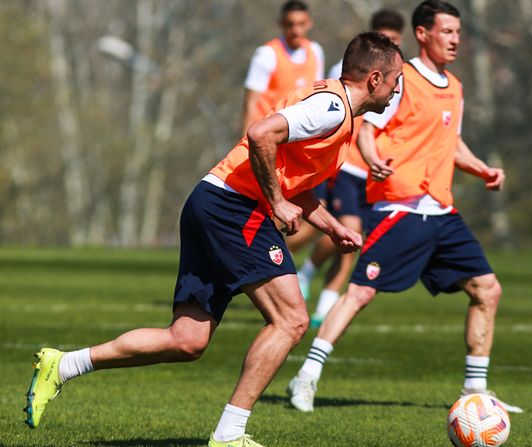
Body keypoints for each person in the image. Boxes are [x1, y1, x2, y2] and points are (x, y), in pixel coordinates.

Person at [23, 32, 404, 447]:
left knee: (187, 340)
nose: (397, 89)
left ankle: (63, 365)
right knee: (291, 319)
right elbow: (261, 134)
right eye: (396, 79)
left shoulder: (335, 108)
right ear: (374, 78)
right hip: (233, 207)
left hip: (214, 201)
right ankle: (230, 434)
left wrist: (331, 226)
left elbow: (291, 171)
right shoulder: (331, 108)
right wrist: (276, 202)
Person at [287, 0, 523, 415]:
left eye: (457, 32)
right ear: (422, 34)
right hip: (400, 207)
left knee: (488, 289)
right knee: (359, 292)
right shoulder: (402, 80)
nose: (455, 40)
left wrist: (481, 169)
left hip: (442, 210)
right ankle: (306, 376)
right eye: (447, 31)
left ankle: (475, 392)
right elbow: (366, 127)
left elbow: (452, 144)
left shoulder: (455, 86)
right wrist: (371, 156)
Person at [296, 9, 406, 327]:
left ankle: (324, 309)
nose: (392, 44)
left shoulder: (399, 79)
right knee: (345, 231)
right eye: (387, 39)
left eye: (397, 40)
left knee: (353, 242)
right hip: (348, 167)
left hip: (376, 174)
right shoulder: (346, 74)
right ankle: (302, 272)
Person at [241, 0, 324, 135]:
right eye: (290, 24)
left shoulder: (316, 51)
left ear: (309, 23)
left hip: (298, 135)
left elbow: (316, 95)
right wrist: (245, 141)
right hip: (267, 135)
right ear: (281, 24)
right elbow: (250, 104)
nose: (296, 30)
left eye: (301, 24)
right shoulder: (267, 54)